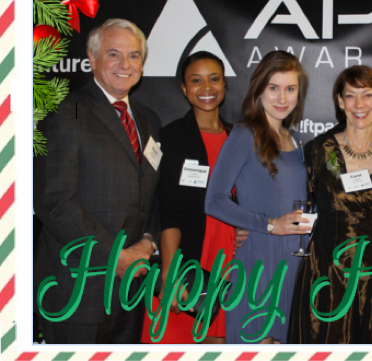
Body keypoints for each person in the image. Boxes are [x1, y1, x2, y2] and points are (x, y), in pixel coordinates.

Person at [33, 18, 161, 344]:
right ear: (92, 58)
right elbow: (54, 201)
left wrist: (149, 242)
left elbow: (150, 194)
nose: (125, 64)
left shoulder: (149, 119)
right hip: (79, 289)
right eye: (113, 54)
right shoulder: (68, 110)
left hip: (131, 289)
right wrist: (116, 257)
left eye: (134, 56)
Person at [288, 65, 372, 344]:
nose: (359, 104)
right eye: (350, 95)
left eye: (367, 95)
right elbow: (295, 202)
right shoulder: (319, 151)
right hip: (326, 275)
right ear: (340, 101)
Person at [205, 50, 311, 344]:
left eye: (290, 89)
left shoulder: (298, 142)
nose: (282, 98)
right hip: (259, 263)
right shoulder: (244, 135)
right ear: (259, 89)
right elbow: (214, 201)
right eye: (273, 87)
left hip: (295, 266)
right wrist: (270, 224)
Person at [140, 51, 234, 344]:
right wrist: (169, 272)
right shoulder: (172, 137)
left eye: (214, 79)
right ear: (184, 88)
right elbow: (169, 211)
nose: (206, 87)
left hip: (231, 257)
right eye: (196, 80)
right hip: (190, 255)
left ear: (224, 84)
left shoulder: (238, 137)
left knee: (221, 343)